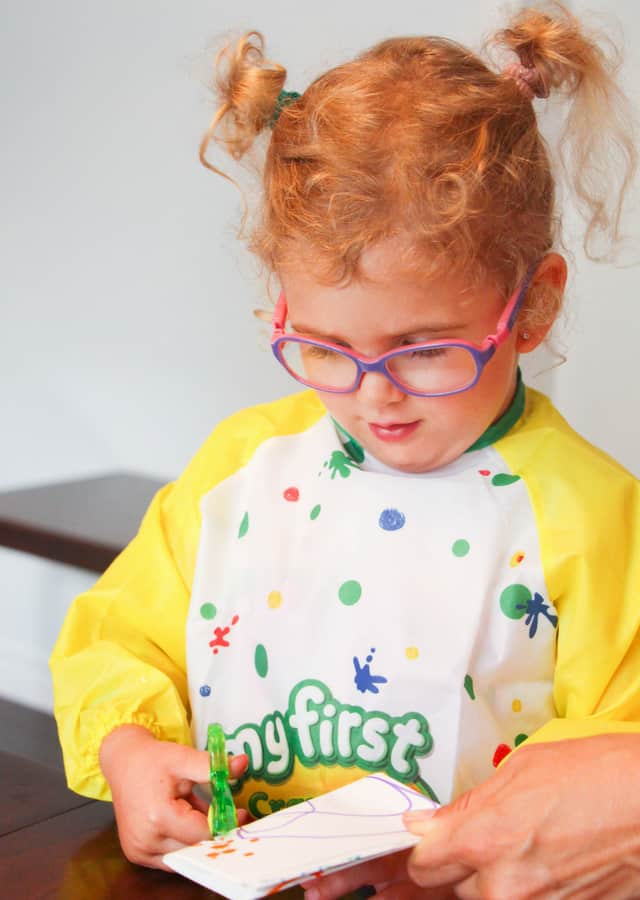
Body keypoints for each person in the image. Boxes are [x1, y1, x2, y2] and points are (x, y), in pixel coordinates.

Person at [50, 3, 640, 894]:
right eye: (326, 349)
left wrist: (454, 855)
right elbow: (118, 638)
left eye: (427, 349)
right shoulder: (243, 467)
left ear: (536, 306)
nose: (374, 395)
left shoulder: (589, 515)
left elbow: (612, 752)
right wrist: (128, 750)